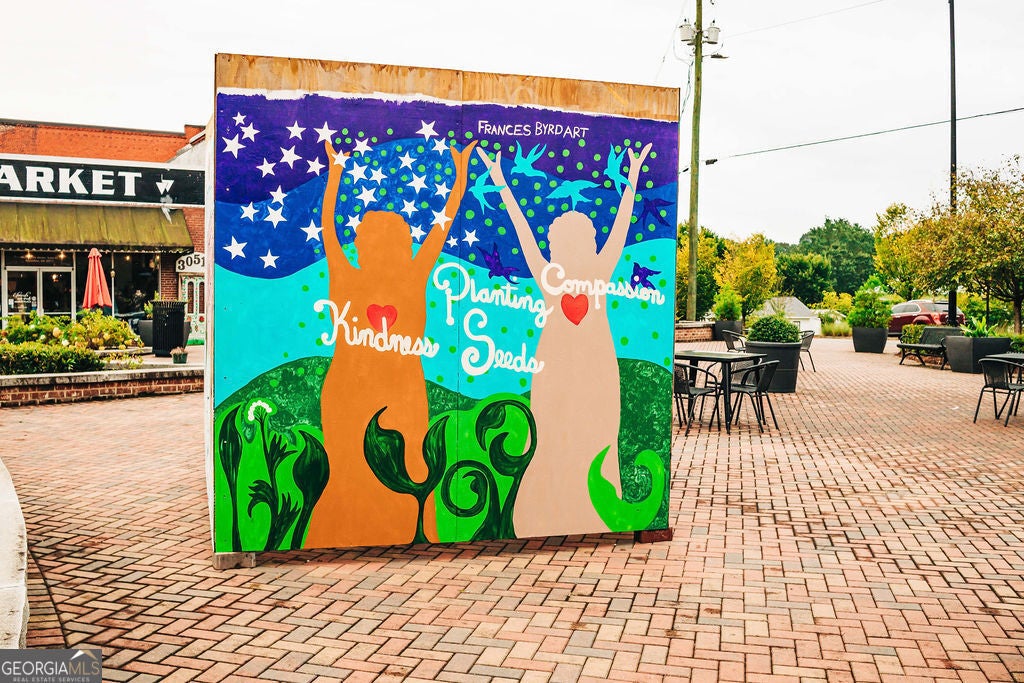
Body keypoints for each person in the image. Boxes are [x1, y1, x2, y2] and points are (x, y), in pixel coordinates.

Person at [304, 139, 476, 549]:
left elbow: (331, 231)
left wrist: (460, 181)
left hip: (396, 397)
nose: (374, 248)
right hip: (355, 396)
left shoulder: (389, 277)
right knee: (353, 472)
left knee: (408, 470)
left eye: (382, 241)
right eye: (372, 241)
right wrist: (335, 174)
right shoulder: (395, 276)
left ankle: (399, 531)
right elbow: (330, 231)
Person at [475, 142, 651, 538]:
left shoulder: (589, 272)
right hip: (558, 372)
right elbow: (524, 231)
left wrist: (634, 177)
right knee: (551, 438)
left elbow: (620, 227)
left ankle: (589, 509)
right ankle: (544, 511)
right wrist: (501, 182)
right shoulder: (561, 275)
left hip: (592, 372)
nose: (561, 251)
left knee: (595, 437)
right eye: (559, 245)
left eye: (566, 244)